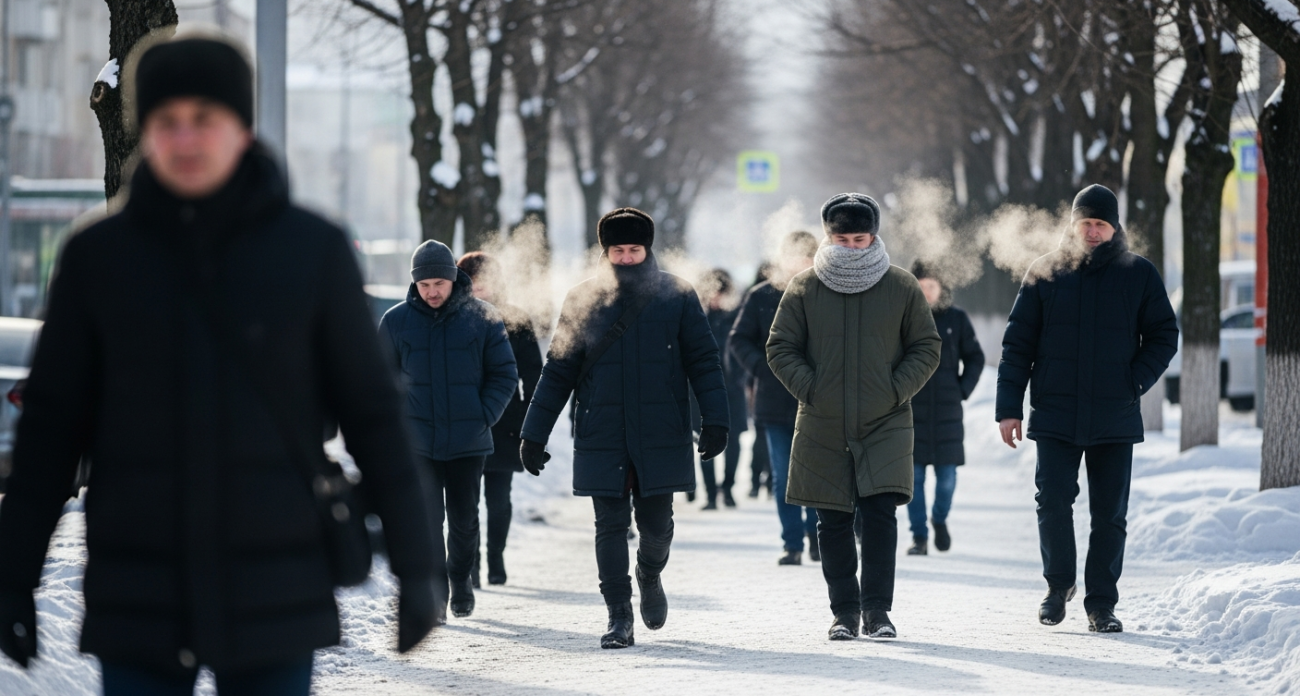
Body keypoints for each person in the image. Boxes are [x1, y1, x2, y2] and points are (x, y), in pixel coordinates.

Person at [0, 36, 438, 694]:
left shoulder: (311, 252)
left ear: (243, 128)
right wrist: (13, 577)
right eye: (165, 121)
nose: (185, 138)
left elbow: (374, 415)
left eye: (204, 118)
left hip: (276, 587)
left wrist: (418, 565)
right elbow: (51, 429)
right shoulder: (98, 257)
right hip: (138, 592)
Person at [519, 208, 729, 649]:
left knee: (657, 526)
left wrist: (716, 420)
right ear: (605, 251)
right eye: (619, 250)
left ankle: (649, 574)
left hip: (660, 429)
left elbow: (704, 361)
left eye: (635, 249)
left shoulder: (677, 294)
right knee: (609, 525)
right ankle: (618, 615)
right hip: (603, 429)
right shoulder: (583, 299)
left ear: (648, 249)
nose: (627, 257)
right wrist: (533, 433)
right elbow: (558, 370)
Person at [996, 184, 1177, 633]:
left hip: (1115, 413)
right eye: (1085, 222)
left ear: (1114, 228)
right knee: (1053, 501)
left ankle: (1101, 605)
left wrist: (1134, 380)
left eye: (1100, 224)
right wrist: (1008, 407)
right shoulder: (1045, 271)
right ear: (1073, 224)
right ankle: (1058, 587)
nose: (1092, 231)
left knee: (1109, 514)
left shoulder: (1139, 273)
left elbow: (1164, 335)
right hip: (1055, 411)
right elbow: (1017, 345)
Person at [767, 193, 940, 641]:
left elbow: (926, 346)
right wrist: (812, 389)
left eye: (858, 239)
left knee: (880, 516)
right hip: (823, 422)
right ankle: (844, 611)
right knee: (833, 521)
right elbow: (780, 346)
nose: (849, 247)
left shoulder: (901, 285)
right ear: (828, 237)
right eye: (841, 239)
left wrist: (895, 389)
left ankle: (877, 611)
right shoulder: (805, 287)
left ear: (873, 237)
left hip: (885, 420)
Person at [379, 240, 518, 620]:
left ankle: (461, 580)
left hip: (468, 440)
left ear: (454, 278)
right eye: (424, 285)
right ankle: (437, 591)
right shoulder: (395, 321)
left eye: (439, 283)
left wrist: (483, 414)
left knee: (463, 519)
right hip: (417, 442)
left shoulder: (483, 317)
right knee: (428, 521)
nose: (432, 291)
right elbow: (379, 380)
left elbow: (504, 373)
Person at [729, 231, 822, 564]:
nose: (801, 263)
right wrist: (763, 368)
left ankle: (818, 537)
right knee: (784, 476)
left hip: (819, 402)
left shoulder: (827, 290)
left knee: (818, 475)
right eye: (795, 256)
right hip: (774, 401)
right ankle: (792, 543)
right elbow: (738, 339)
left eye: (807, 257)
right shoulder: (762, 295)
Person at [456, 251, 544, 586]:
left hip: (506, 420)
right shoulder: (453, 318)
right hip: (463, 421)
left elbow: (533, 373)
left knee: (499, 497)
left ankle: (496, 558)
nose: (480, 288)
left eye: (485, 281)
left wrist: (531, 420)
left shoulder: (516, 319)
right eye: (473, 281)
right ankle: (472, 564)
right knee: (466, 499)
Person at [905, 261, 985, 556]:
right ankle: (919, 536)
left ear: (941, 288)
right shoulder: (902, 317)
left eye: (931, 286)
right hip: (911, 412)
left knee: (947, 480)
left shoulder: (956, 318)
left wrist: (962, 389)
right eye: (921, 286)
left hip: (948, 414)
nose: (926, 292)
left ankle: (939, 519)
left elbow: (975, 357)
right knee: (913, 481)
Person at [690, 268, 748, 510]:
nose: (716, 297)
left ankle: (728, 488)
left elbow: (744, 347)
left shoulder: (737, 315)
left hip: (732, 387)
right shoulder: (696, 315)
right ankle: (711, 494)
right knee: (704, 441)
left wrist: (741, 376)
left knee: (734, 441)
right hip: (701, 390)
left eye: (720, 292)